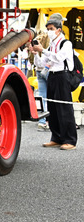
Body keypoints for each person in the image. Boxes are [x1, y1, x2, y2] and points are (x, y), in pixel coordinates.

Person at [31, 13, 78, 150]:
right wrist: (36, 54)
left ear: (59, 29)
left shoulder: (66, 43)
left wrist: (43, 50)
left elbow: (58, 58)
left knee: (64, 109)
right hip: (51, 76)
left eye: (51, 29)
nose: (49, 31)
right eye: (48, 29)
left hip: (63, 77)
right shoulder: (51, 45)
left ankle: (70, 140)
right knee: (53, 109)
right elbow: (42, 63)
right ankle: (56, 137)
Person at [27, 29, 50, 130]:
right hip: (48, 71)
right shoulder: (49, 46)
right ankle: (49, 121)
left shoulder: (39, 46)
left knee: (42, 97)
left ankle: (42, 121)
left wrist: (35, 54)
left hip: (39, 71)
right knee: (51, 97)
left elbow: (38, 63)